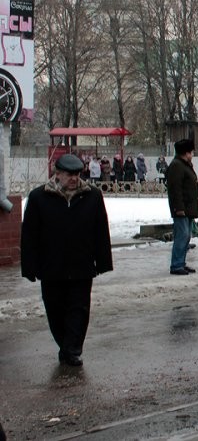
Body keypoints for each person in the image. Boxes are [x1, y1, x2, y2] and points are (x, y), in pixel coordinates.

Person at [20, 154, 113, 366]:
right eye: (69, 174)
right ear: (57, 173)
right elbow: (30, 235)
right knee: (55, 309)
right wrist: (30, 267)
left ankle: (72, 349)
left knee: (79, 309)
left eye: (77, 174)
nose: (74, 178)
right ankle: (65, 345)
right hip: (51, 266)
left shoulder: (92, 196)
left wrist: (103, 262)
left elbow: (101, 231)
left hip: (82, 264)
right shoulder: (39, 198)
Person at [166, 139, 198, 275]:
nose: (192, 154)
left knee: (186, 237)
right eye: (191, 152)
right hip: (182, 209)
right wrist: (179, 208)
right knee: (182, 236)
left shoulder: (183, 164)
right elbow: (176, 190)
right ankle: (176, 265)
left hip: (188, 208)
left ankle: (181, 263)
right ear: (185, 153)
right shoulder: (177, 166)